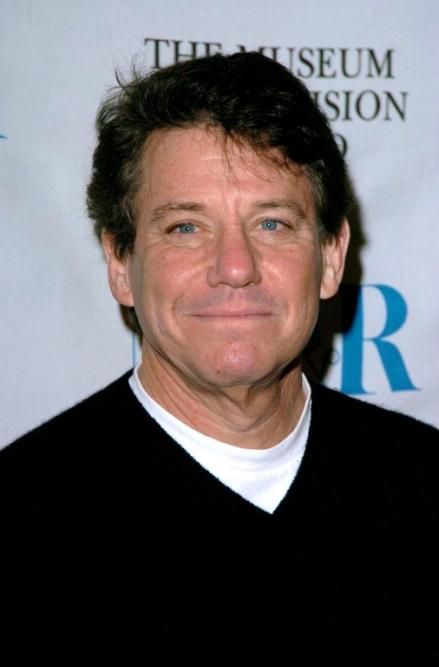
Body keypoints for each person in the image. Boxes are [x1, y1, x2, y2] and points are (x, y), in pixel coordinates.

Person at [1, 52, 438, 660]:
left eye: (272, 224)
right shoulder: (20, 519)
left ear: (331, 256)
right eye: (186, 227)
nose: (235, 268)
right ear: (120, 263)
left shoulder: (427, 487)